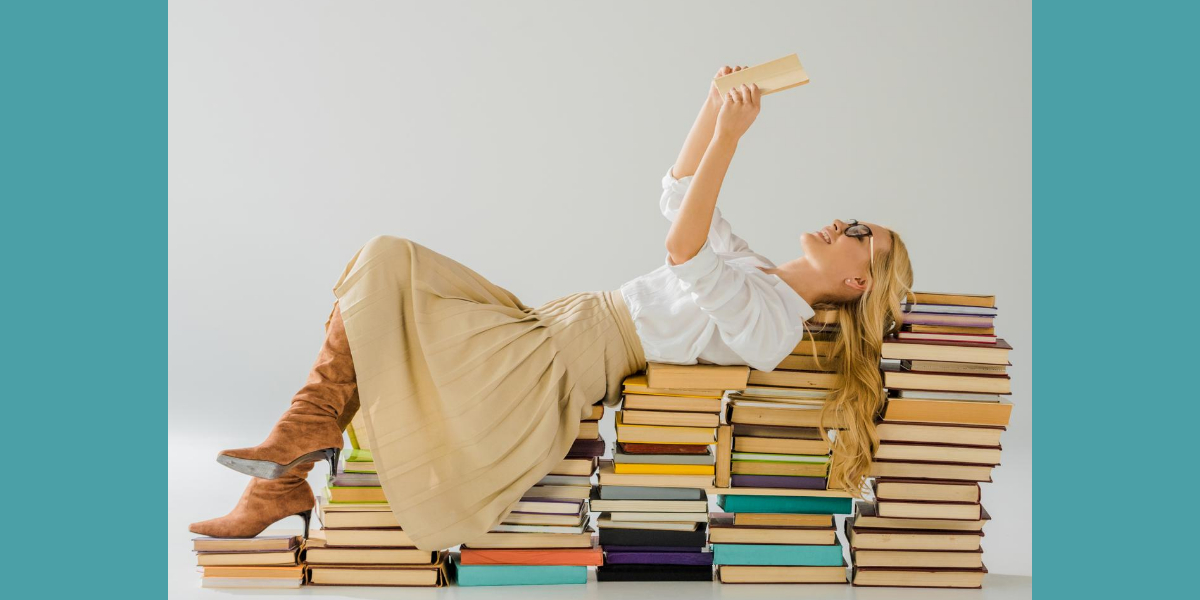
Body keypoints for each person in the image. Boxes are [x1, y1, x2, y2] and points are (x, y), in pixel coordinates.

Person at [189, 66, 914, 552]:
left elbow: (683, 249)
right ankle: (288, 465)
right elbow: (677, 191)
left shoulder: (773, 323)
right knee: (379, 268)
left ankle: (287, 466)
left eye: (861, 236)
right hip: (545, 326)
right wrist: (711, 103)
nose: (842, 224)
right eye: (852, 218)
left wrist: (730, 136)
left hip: (551, 366)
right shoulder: (756, 268)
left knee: (382, 273)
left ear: (857, 284)